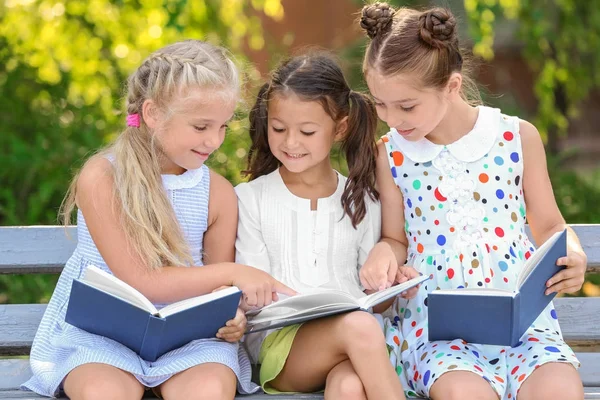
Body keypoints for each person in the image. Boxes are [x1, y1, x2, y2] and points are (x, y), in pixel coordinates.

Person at [22, 39, 293, 400]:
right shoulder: (103, 177)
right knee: (105, 394)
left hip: (191, 340)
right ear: (152, 115)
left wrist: (233, 315)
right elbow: (142, 280)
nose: (215, 140)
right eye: (201, 127)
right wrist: (235, 275)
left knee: (208, 391)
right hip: (102, 338)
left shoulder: (218, 192)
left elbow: (218, 291)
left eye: (224, 126)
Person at [358, 3, 587, 400]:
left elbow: (551, 226)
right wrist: (384, 255)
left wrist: (575, 254)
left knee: (560, 390)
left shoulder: (516, 137)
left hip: (523, 325)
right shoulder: (391, 154)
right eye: (380, 104)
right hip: (438, 331)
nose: (391, 119)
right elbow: (395, 238)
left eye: (406, 105)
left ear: (451, 86)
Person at [235, 52, 418, 400]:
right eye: (278, 128)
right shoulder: (250, 199)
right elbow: (252, 296)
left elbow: (374, 302)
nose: (290, 142)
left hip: (353, 343)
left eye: (306, 131)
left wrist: (391, 286)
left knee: (348, 387)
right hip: (282, 345)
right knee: (361, 328)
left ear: (340, 128)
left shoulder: (362, 199)